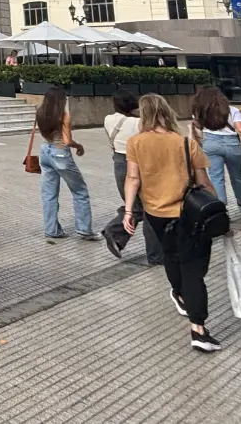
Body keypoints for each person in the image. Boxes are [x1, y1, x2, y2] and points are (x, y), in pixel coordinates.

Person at [123, 94, 221, 352]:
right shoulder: (185, 143)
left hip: (155, 213)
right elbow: (204, 182)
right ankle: (198, 328)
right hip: (188, 213)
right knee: (194, 269)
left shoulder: (135, 143)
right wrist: (219, 211)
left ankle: (178, 293)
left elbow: (133, 179)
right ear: (167, 112)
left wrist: (129, 211)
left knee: (171, 255)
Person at [100, 92, 163, 265]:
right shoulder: (138, 123)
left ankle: (116, 234)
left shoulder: (108, 119)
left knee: (135, 206)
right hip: (138, 163)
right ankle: (155, 254)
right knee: (149, 208)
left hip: (119, 163)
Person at [35, 86, 98, 240]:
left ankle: (52, 230)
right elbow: (68, 141)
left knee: (49, 194)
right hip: (60, 153)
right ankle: (84, 229)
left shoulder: (40, 113)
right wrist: (79, 146)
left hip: (45, 151)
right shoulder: (64, 115)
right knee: (80, 191)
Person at [193, 86, 241, 211]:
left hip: (211, 143)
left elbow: (198, 127)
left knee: (216, 177)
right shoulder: (232, 110)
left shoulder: (200, 111)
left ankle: (221, 207)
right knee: (237, 176)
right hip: (232, 145)